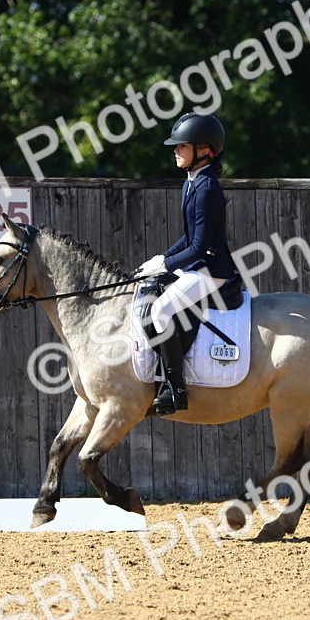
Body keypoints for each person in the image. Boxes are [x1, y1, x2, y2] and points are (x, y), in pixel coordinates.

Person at [134, 112, 237, 416]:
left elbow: (200, 247)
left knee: (160, 310)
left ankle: (175, 389)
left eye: (182, 146)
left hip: (212, 272)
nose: (175, 150)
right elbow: (188, 237)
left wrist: (166, 264)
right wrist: (161, 258)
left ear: (205, 150)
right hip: (197, 265)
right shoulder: (191, 182)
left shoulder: (207, 189)